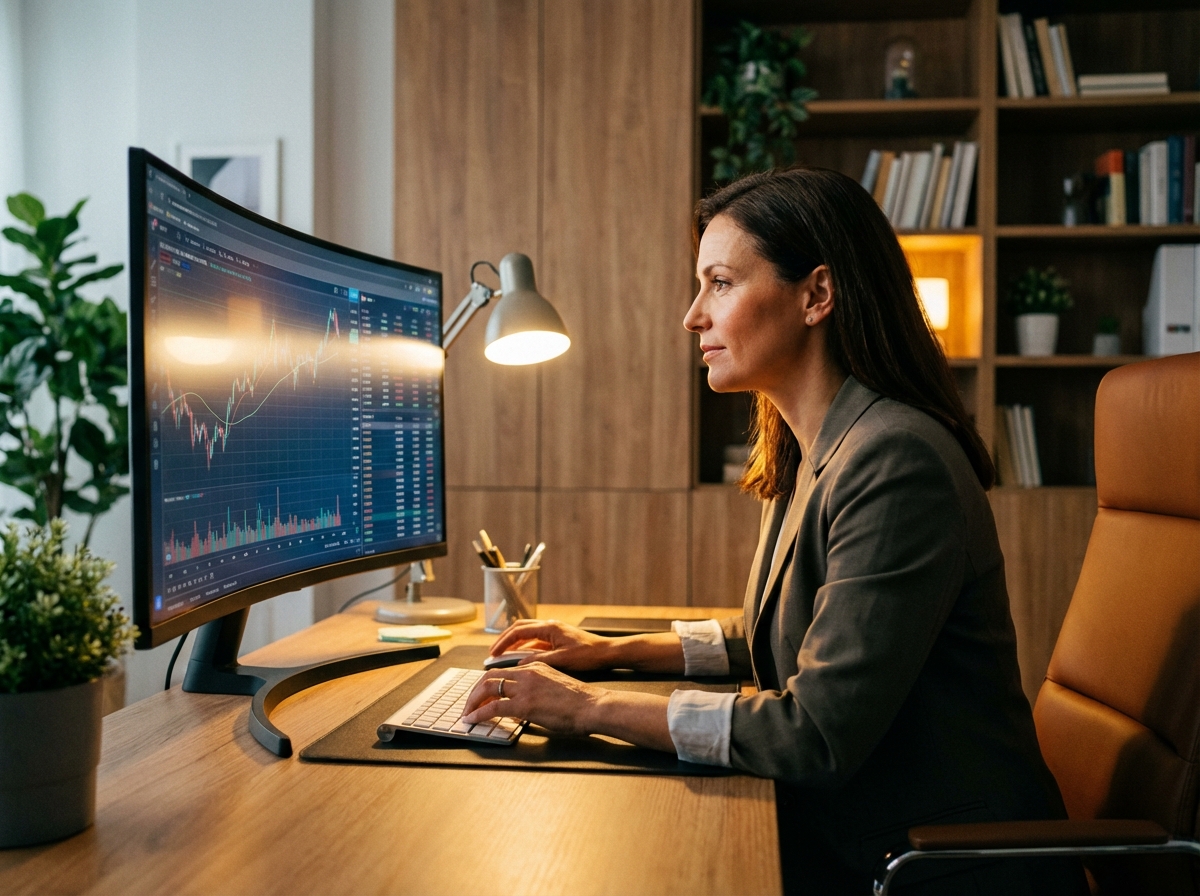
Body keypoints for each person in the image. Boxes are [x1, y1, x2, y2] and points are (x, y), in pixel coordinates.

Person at [462, 167, 1086, 895]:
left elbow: (814, 732)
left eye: (720, 283)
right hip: (859, 832)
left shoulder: (895, 461)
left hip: (928, 862)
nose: (693, 316)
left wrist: (590, 708)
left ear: (815, 295)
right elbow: (775, 630)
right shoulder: (808, 448)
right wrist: (610, 652)